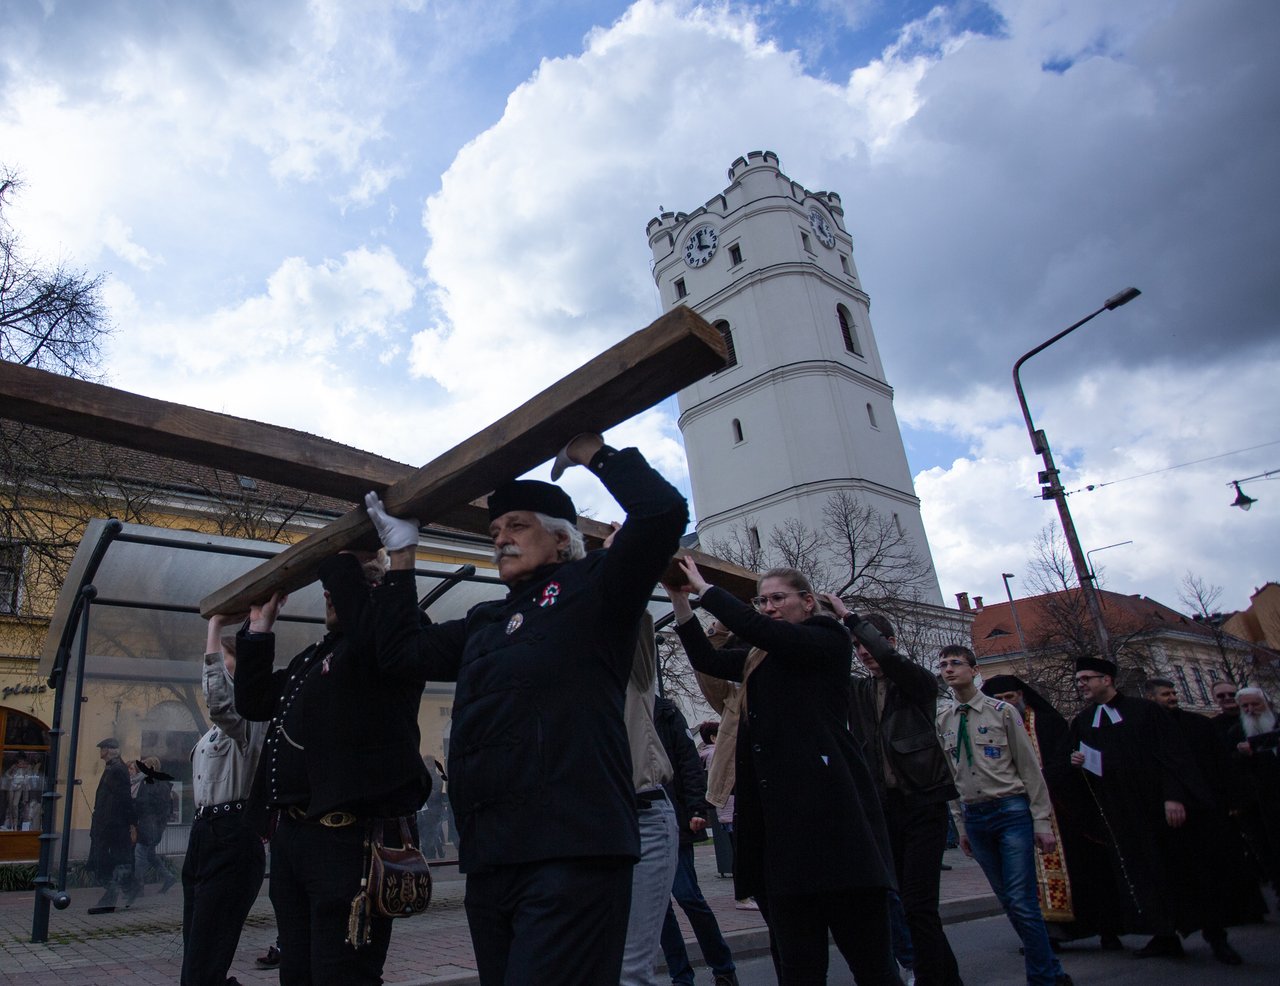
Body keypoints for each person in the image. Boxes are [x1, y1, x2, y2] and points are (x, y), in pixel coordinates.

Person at [366, 433, 688, 986]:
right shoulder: (486, 621)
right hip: (493, 857)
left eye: (518, 526)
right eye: (494, 532)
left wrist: (593, 453)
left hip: (572, 850)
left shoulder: (595, 591)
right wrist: (401, 559)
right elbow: (400, 654)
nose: (501, 540)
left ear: (562, 541)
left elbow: (661, 514)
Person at [669, 559, 897, 986]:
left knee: (871, 964)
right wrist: (681, 599)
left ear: (808, 602)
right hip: (786, 835)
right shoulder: (762, 655)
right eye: (762, 599)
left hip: (836, 827)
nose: (768, 607)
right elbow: (707, 659)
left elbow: (767, 632)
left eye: (778, 598)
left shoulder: (827, 638)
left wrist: (705, 588)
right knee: (798, 968)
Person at [235, 550, 432, 986]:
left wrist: (343, 558)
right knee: (298, 975)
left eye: (343, 587)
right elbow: (254, 701)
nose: (330, 596)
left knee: (342, 976)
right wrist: (259, 631)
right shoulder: (316, 656)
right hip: (297, 840)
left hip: (349, 843)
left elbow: (374, 640)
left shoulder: (392, 644)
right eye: (330, 590)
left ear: (372, 593)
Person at [826, 598, 962, 986]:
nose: (864, 652)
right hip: (884, 809)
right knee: (897, 903)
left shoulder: (916, 684)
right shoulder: (860, 691)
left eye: (870, 643)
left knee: (919, 908)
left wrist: (849, 618)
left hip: (923, 804)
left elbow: (895, 664)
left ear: (890, 641)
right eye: (857, 646)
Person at [1068, 657, 1233, 963]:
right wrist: (1078, 763)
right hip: (1122, 813)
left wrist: (1174, 796)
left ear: (1106, 680)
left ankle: (1216, 935)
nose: (1082, 685)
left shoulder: (1145, 712)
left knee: (1186, 871)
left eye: (1086, 679)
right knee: (1144, 875)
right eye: (1078, 681)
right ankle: (1163, 935)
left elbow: (1173, 756)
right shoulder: (1083, 721)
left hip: (1159, 806)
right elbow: (1091, 765)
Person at [935, 646, 1070, 986]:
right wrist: (961, 825)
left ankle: (1042, 977)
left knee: (1022, 899)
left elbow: (1030, 769)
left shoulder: (1002, 712)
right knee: (1009, 900)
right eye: (943, 665)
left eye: (956, 663)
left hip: (1009, 810)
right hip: (975, 815)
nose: (949, 670)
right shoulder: (945, 720)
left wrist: (1041, 820)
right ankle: (1051, 968)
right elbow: (953, 775)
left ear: (974, 670)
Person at [982, 674, 1122, 949]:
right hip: (1018, 810)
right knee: (1028, 875)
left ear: (1021, 696)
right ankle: (1049, 933)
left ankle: (1106, 927)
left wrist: (1045, 777)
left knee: (1084, 868)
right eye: (997, 702)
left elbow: (1065, 760)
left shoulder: (1048, 722)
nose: (1005, 706)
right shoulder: (989, 728)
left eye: (1009, 698)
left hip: (1061, 809)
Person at [1141, 677, 1261, 963]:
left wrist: (1232, 801)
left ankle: (1217, 936)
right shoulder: (1142, 729)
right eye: (1164, 694)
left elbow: (1221, 765)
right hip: (1162, 817)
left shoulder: (1198, 725)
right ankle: (1170, 934)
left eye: (1172, 692)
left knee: (1208, 878)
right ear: (1150, 698)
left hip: (1203, 811)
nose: (1171, 698)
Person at [183, 613, 270, 986]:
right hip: (204, 833)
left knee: (204, 957)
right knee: (198, 950)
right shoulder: (213, 734)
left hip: (233, 833)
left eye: (224, 663)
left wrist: (215, 627)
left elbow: (221, 702)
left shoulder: (251, 719)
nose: (216, 671)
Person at [655, 694, 739, 986]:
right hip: (637, 821)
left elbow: (688, 762)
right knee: (659, 909)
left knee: (688, 895)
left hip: (673, 818)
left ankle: (723, 967)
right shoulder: (611, 707)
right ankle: (681, 977)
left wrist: (695, 807)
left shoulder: (664, 713)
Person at [620, 609, 679, 986]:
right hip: (590, 827)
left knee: (629, 970)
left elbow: (635, 611)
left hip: (643, 817)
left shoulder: (633, 672)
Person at [1230, 686, 1280, 891]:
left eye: (1255, 704)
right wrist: (1241, 754)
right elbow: (1230, 766)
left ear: (1265, 703)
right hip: (1262, 799)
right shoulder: (1236, 731)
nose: (1250, 709)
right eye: (1245, 706)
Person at [87, 737, 136, 911]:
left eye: (102, 749)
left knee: (106, 862)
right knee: (104, 862)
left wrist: (131, 824)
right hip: (106, 824)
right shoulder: (112, 769)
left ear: (108, 750)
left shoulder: (117, 770)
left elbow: (124, 799)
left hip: (113, 826)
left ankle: (112, 898)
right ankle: (122, 892)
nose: (100, 752)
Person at [131, 755, 178, 901]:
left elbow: (152, 805)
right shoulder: (152, 782)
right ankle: (168, 877)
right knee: (149, 854)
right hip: (151, 825)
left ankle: (138, 887)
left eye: (145, 765)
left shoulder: (153, 783)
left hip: (149, 826)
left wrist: (135, 806)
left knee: (139, 854)